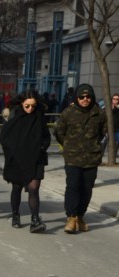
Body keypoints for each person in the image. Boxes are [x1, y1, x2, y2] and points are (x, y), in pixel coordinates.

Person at [54, 83, 106, 233]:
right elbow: (58, 131)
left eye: (88, 97)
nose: (85, 99)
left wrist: (95, 146)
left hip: (91, 158)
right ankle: (71, 217)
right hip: (72, 158)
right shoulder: (68, 113)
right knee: (73, 186)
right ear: (76, 98)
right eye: (82, 97)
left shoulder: (98, 113)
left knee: (87, 189)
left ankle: (80, 216)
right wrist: (68, 145)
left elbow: (103, 132)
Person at [0, 90, 50, 232]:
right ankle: (16, 215)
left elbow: (46, 136)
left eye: (33, 106)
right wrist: (11, 152)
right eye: (27, 106)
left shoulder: (40, 117)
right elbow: (4, 137)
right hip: (17, 159)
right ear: (22, 104)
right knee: (17, 188)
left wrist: (41, 147)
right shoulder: (15, 117)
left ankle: (35, 220)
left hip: (36, 158)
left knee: (34, 188)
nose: (30, 109)